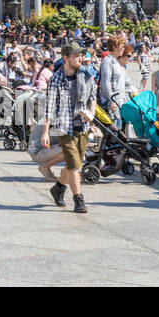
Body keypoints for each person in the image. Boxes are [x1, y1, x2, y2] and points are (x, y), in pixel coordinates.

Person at [41, 42, 96, 214]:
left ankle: (58, 188)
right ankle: (78, 200)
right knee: (74, 164)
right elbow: (49, 108)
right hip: (63, 127)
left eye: (81, 55)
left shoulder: (86, 74)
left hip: (82, 125)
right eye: (76, 55)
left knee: (76, 162)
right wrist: (45, 132)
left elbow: (92, 96)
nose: (80, 58)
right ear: (66, 58)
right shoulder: (56, 80)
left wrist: (92, 114)